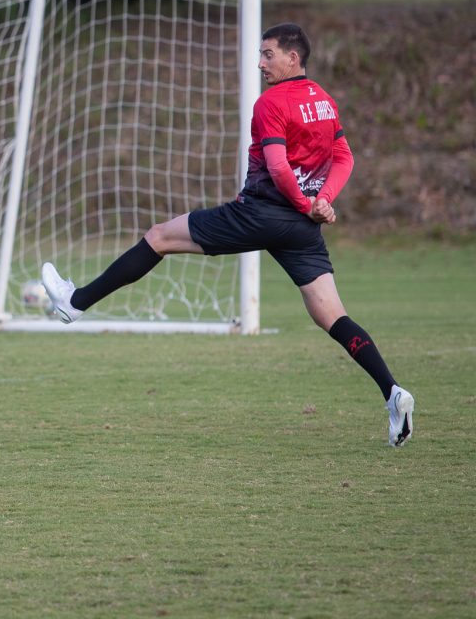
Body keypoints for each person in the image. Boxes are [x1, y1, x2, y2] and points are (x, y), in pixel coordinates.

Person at [41, 23, 415, 447]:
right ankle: (393, 392)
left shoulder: (270, 102)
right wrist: (320, 201)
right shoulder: (325, 102)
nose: (260, 63)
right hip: (301, 227)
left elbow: (276, 167)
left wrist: (305, 202)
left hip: (261, 213)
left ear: (293, 58)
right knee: (331, 315)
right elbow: (345, 158)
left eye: (268, 54)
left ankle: (75, 302)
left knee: (159, 237)